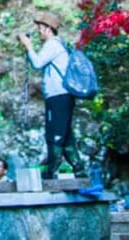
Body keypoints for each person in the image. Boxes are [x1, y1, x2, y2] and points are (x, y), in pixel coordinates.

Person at [19, 11, 86, 179]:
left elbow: (37, 63)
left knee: (55, 133)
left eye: (40, 28)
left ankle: (51, 170)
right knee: (65, 134)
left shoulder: (53, 45)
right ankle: (79, 169)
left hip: (58, 96)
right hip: (61, 96)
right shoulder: (58, 45)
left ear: (48, 29)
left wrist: (28, 46)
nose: (38, 32)